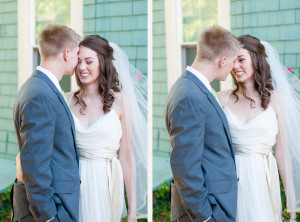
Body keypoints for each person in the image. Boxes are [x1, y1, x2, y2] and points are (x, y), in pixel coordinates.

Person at [16, 35, 148, 221]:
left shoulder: (121, 102)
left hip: (107, 182)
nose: (82, 67)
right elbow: (45, 141)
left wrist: (133, 212)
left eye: (89, 61)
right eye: (78, 61)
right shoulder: (65, 100)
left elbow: (126, 157)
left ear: (103, 62)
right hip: (72, 185)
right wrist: (22, 156)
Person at [217, 34, 300, 221]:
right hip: (231, 182)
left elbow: (282, 154)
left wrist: (291, 203)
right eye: (233, 61)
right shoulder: (221, 99)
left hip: (263, 180)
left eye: (241, 60)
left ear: (256, 59)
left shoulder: (278, 100)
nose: (236, 67)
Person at [165, 26, 241, 222]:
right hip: (209, 210)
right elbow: (185, 166)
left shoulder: (190, 86)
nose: (234, 67)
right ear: (223, 61)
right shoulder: (190, 96)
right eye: (233, 61)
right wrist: (205, 217)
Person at [12, 23, 81, 222]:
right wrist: (49, 216)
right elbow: (35, 164)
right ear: (67, 53)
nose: (78, 61)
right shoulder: (41, 95)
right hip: (49, 210)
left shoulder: (38, 86)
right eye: (77, 54)